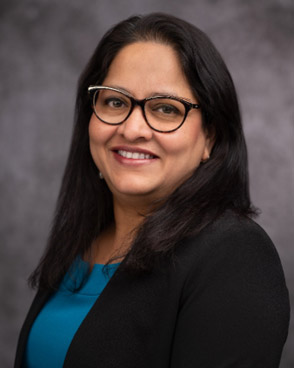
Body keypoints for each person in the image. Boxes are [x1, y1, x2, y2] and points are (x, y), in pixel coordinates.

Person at [14, 13, 289, 368]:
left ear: (211, 137)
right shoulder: (82, 243)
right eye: (115, 102)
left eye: (164, 108)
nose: (132, 129)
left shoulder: (235, 255)